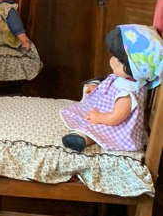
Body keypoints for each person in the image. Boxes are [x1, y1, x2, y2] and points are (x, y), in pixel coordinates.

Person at [61, 24, 163, 153]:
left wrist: (99, 118)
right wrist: (96, 88)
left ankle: (83, 138)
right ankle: (82, 133)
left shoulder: (127, 93)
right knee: (87, 117)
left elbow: (116, 118)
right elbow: (110, 86)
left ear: (136, 70)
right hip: (106, 111)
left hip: (117, 125)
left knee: (97, 129)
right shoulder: (127, 79)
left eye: (119, 60)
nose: (112, 60)